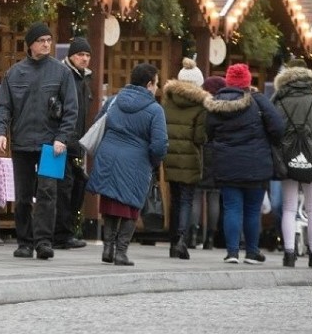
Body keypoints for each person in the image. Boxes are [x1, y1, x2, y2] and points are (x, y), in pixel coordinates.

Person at [0, 22, 78, 260]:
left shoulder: (62, 73)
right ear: (30, 44)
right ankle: (24, 242)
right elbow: (3, 107)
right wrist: (1, 132)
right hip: (22, 143)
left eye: (49, 40)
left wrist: (63, 137)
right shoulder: (14, 73)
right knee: (22, 196)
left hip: (52, 146)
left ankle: (43, 242)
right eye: (41, 40)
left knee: (48, 194)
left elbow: (71, 109)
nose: (46, 44)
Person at [87, 63, 168, 266]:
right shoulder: (154, 110)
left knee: (111, 204)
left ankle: (108, 248)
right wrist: (154, 162)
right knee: (131, 206)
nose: (157, 88)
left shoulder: (114, 101)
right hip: (136, 162)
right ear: (149, 84)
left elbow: (99, 123)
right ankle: (121, 252)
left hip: (108, 157)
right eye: (156, 84)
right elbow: (159, 144)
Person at [204, 63, 284, 265]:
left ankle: (232, 252)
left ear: (229, 81)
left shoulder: (216, 103)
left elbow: (208, 132)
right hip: (256, 164)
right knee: (251, 209)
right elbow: (278, 127)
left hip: (226, 163)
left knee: (231, 207)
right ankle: (252, 252)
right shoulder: (258, 101)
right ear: (247, 82)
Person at [272, 59, 312, 268]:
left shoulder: (279, 101)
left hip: (287, 158)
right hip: (311, 158)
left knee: (289, 208)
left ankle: (289, 253)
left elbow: (273, 129)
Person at [162, 57, 209, 260]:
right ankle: (181, 240)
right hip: (190, 157)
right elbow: (200, 137)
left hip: (170, 156)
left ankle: (173, 242)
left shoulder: (168, 101)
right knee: (187, 200)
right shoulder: (200, 106)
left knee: (175, 198)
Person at [54, 37, 93, 250]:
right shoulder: (65, 75)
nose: (84, 59)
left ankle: (64, 232)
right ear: (71, 56)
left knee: (73, 186)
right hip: (61, 143)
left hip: (74, 144)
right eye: (80, 54)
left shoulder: (83, 78)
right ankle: (60, 234)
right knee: (61, 189)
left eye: (87, 55)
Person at [191, 75, 226, 250]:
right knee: (214, 196)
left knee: (196, 194)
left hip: (202, 151)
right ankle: (210, 238)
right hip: (218, 154)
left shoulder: (201, 106)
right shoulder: (224, 108)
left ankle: (193, 235)